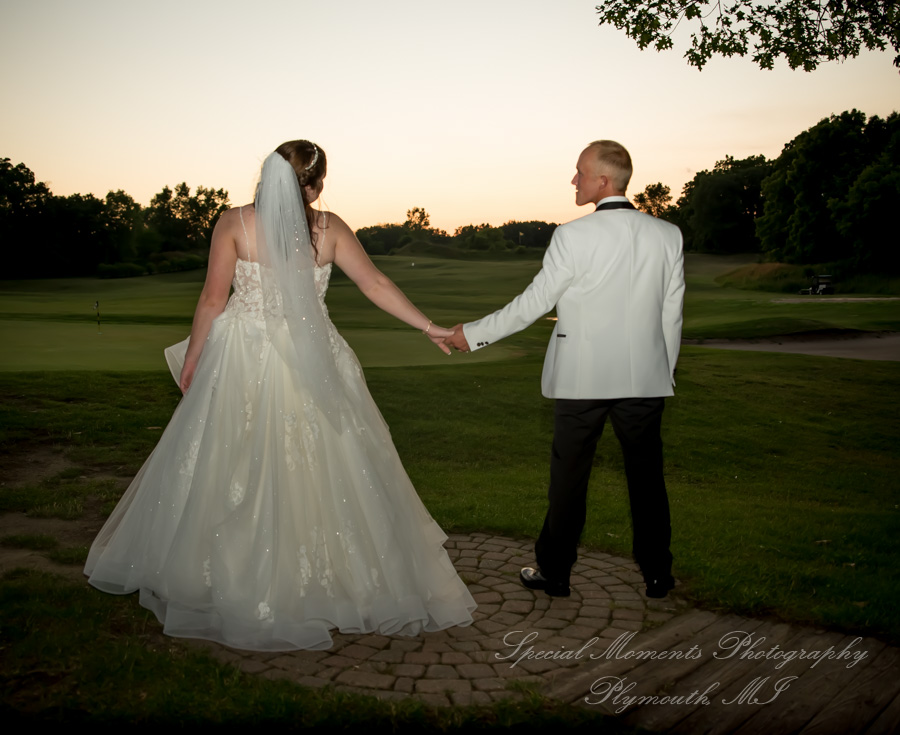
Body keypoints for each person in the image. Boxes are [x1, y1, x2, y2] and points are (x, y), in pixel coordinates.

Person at [85, 140, 476, 650]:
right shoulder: (329, 228)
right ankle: (327, 576)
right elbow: (376, 283)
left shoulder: (233, 222)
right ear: (313, 186)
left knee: (231, 459)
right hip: (313, 356)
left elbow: (212, 299)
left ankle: (228, 573)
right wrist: (429, 327)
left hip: (241, 355)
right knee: (322, 462)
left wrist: (195, 358)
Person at [444, 140, 684, 599]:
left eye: (580, 172)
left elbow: (534, 303)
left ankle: (555, 573)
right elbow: (671, 315)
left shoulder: (572, 236)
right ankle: (658, 575)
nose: (573, 180)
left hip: (582, 379)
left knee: (569, 480)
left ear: (603, 181)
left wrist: (471, 334)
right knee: (647, 480)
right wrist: (663, 371)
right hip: (646, 379)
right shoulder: (668, 234)